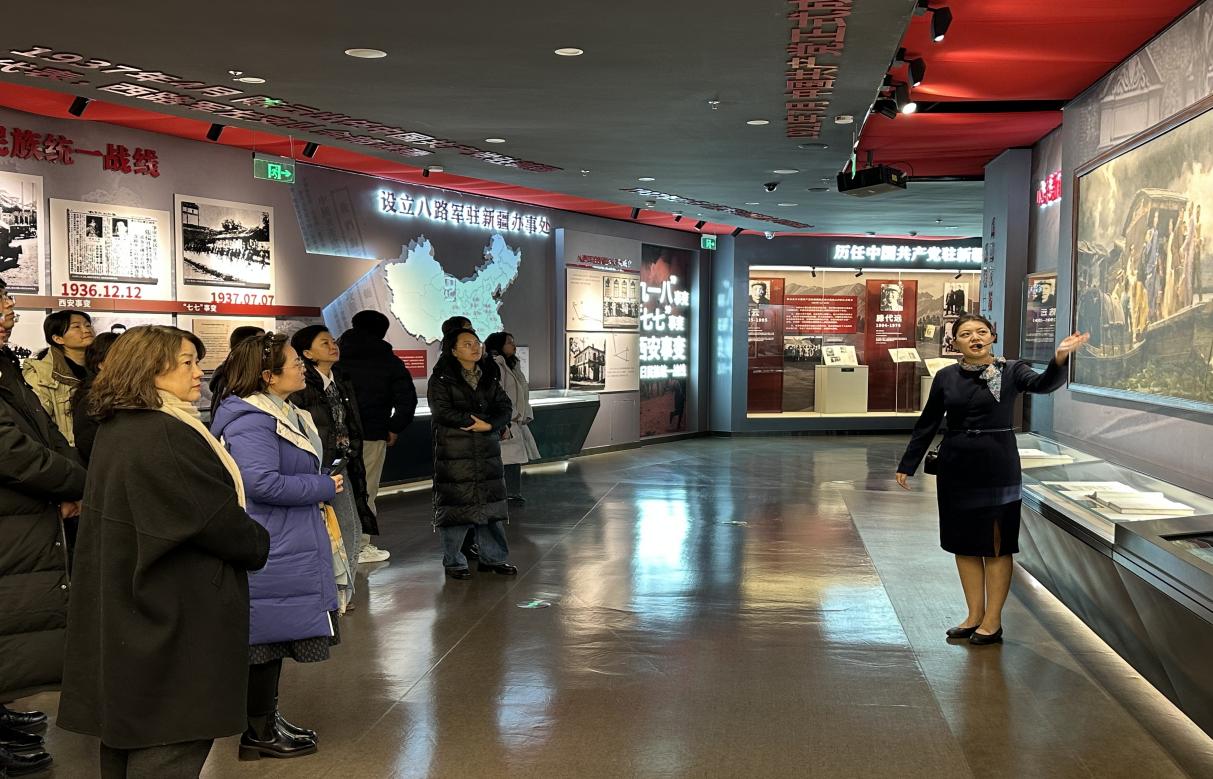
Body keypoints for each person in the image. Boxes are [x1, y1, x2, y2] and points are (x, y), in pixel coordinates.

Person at [57, 326, 271, 779]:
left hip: (133, 604)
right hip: (173, 611)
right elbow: (214, 519)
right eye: (187, 362)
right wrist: (257, 542)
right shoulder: (166, 433)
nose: (198, 373)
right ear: (149, 369)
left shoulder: (120, 426)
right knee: (171, 738)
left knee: (130, 735)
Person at [895, 314, 1089, 645]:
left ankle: (993, 621)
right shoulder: (945, 377)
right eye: (966, 334)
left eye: (981, 332)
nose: (975, 338)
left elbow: (1043, 385)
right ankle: (974, 615)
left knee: (997, 545)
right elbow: (928, 422)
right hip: (956, 466)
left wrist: (1059, 359)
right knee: (962, 543)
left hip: (998, 466)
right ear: (955, 342)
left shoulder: (1012, 370)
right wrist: (908, 463)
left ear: (992, 337)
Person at [211, 333, 341, 759]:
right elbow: (260, 483)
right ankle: (258, 732)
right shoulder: (252, 420)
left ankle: (267, 720)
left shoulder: (279, 411)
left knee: (273, 638)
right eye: (294, 362)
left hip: (285, 537)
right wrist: (323, 486)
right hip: (272, 541)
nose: (302, 367)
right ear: (268, 376)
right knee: (264, 641)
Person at [0, 281, 85, 778]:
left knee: (13, 623)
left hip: (23, 516)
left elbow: (45, 432)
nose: (9, 311)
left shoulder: (6, 364)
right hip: (12, 515)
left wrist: (73, 480)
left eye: (8, 301)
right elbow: (11, 451)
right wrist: (77, 483)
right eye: (1, 303)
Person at [289, 325, 375, 606]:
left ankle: (342, 593)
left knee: (350, 526)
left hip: (344, 462)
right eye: (324, 343)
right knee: (337, 529)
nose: (332, 346)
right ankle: (334, 593)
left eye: (333, 341)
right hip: (319, 467)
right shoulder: (302, 385)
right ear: (307, 353)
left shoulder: (340, 379)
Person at [428, 328, 516, 580]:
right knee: (457, 508)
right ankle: (454, 561)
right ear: (453, 350)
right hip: (455, 452)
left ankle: (493, 558)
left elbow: (505, 406)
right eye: (467, 344)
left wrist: (489, 425)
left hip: (487, 450)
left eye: (476, 343)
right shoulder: (441, 378)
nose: (475, 347)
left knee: (491, 508)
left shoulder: (488, 375)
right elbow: (441, 411)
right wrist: (472, 421)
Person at [337, 310, 417, 564]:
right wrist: (393, 427)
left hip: (335, 436)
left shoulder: (336, 355)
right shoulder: (388, 360)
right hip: (371, 434)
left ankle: (336, 543)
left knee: (334, 488)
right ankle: (359, 545)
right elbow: (407, 399)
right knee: (366, 489)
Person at [22, 310, 95, 446]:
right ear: (58, 339)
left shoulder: (102, 368)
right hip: (66, 451)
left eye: (88, 325)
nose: (86, 330)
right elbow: (39, 422)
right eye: (76, 326)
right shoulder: (41, 374)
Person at [485, 331, 539, 502]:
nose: (514, 345)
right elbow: (497, 394)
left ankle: (512, 493)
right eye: (509, 342)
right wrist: (511, 414)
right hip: (506, 420)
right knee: (506, 459)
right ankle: (506, 494)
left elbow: (522, 392)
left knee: (513, 459)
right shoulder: (495, 366)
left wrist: (524, 413)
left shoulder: (512, 366)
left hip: (515, 420)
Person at [70, 331, 120, 466]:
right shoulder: (92, 399)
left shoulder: (118, 393)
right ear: (101, 364)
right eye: (121, 357)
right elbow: (91, 448)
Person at [207, 325, 266, 419]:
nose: (267, 347)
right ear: (246, 345)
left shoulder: (254, 372)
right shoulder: (229, 376)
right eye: (261, 342)